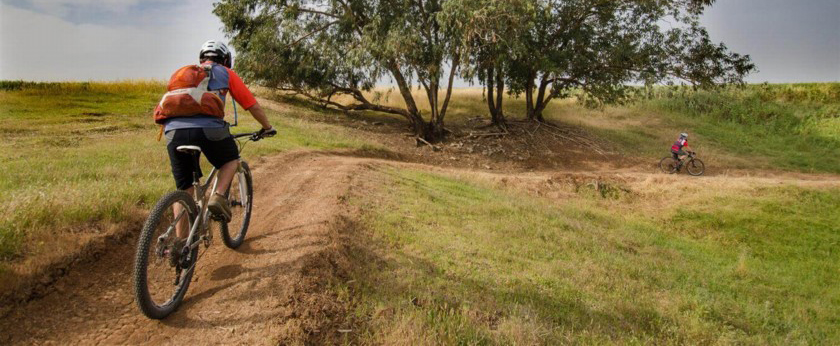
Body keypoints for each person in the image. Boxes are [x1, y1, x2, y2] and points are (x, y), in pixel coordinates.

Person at [160, 40, 276, 239]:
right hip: (209, 129)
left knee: (184, 189)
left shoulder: (183, 74)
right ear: (225, 59)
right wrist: (267, 128)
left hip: (173, 131)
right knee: (231, 160)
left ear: (201, 58)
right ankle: (219, 197)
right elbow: (252, 106)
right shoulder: (225, 72)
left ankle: (180, 244)